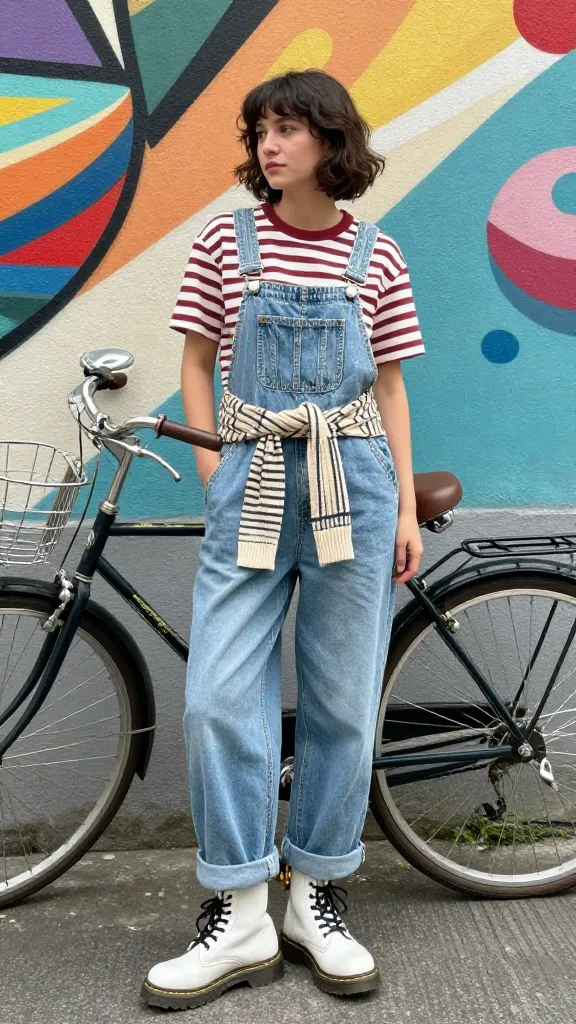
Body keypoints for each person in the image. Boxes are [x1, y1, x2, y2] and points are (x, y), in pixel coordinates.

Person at [142, 68, 425, 1011]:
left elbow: (390, 387)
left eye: (290, 128)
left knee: (342, 700)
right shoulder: (224, 243)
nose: (269, 143)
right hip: (253, 478)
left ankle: (315, 895)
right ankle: (239, 908)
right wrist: (214, 471)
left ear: (332, 142)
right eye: (261, 128)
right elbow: (195, 362)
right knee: (218, 698)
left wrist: (406, 511)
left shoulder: (379, 256)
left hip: (357, 481)